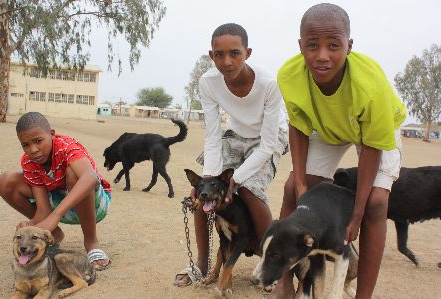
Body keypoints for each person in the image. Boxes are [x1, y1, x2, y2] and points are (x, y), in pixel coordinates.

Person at [271, 3, 407, 299]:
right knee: (293, 186)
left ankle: (363, 295)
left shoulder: (370, 84)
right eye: (312, 45)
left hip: (375, 131)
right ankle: (283, 281)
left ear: (349, 45)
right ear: (300, 46)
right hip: (329, 126)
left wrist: (356, 214)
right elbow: (299, 127)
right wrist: (303, 184)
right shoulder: (289, 75)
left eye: (334, 45)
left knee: (375, 203)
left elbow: (371, 146)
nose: (322, 55)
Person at [174, 23, 289, 286]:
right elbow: (213, 135)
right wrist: (209, 177)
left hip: (269, 139)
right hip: (235, 134)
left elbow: (269, 144)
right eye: (219, 54)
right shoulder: (208, 82)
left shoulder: (269, 84)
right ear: (211, 55)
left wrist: (235, 180)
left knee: (248, 189)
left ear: (247, 53)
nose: (227, 61)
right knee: (204, 190)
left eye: (235, 53)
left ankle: (272, 268)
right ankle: (201, 264)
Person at [0, 112, 112, 270]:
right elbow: (43, 209)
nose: (33, 149)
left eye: (38, 141)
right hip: (60, 206)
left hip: (94, 205)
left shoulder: (66, 147)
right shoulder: (29, 161)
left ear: (51, 134)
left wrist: (55, 216)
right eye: (26, 145)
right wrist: (32, 225)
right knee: (6, 181)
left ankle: (91, 242)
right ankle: (53, 234)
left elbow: (90, 177)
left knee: (75, 174)